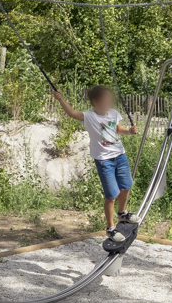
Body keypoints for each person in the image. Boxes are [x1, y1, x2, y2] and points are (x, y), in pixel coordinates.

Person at [52, 85, 138, 242]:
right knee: (112, 195)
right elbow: (71, 113)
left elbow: (117, 129)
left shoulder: (113, 113)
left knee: (126, 186)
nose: (109, 102)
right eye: (105, 99)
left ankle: (122, 213)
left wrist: (129, 132)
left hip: (120, 156)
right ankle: (111, 228)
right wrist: (61, 99)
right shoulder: (89, 116)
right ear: (95, 102)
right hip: (104, 161)